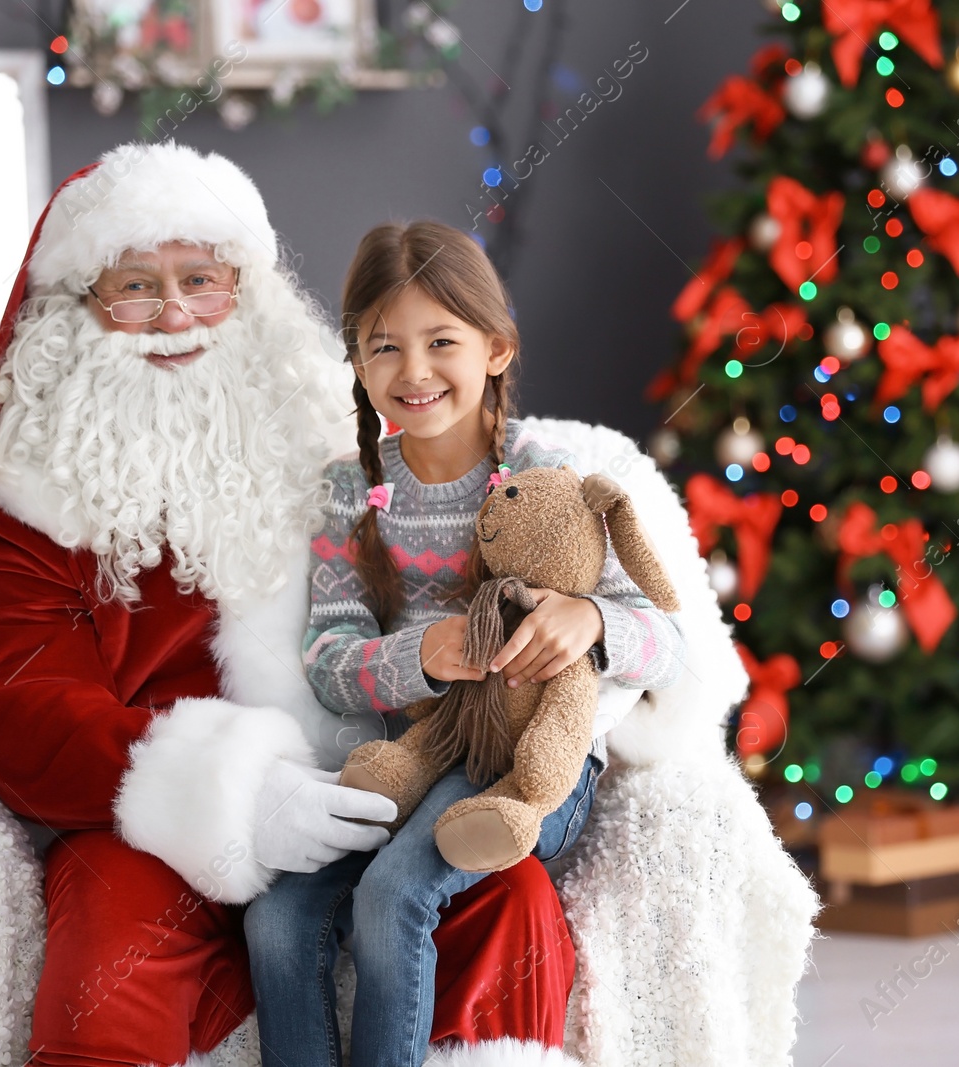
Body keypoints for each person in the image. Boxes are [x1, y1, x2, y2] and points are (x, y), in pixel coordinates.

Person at [0, 144, 578, 1067]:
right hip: (150, 814)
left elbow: (510, 531)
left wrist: (588, 635)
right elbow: (17, 702)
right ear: (75, 309)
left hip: (380, 770)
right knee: (107, 959)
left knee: (506, 894)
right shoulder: (25, 499)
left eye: (201, 279)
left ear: (245, 289)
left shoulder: (340, 434)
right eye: (133, 288)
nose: (173, 317)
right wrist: (233, 792)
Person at [244, 220, 687, 1067]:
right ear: (358, 363)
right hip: (415, 752)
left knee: (392, 895)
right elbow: (331, 660)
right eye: (384, 348)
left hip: (528, 763)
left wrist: (591, 622)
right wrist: (421, 654)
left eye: (440, 341)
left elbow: (668, 642)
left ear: (495, 349)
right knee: (276, 917)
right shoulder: (350, 490)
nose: (413, 371)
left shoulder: (545, 471)